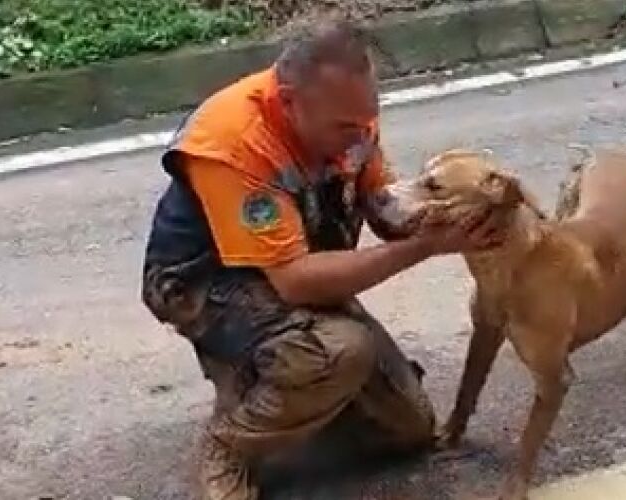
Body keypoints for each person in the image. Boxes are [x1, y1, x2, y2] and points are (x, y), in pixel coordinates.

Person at [141, 19, 503, 500]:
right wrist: (423, 247)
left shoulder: (350, 118)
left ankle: (296, 394)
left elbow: (378, 203)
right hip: (209, 283)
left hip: (299, 260)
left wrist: (438, 215)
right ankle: (229, 442)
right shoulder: (235, 140)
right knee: (339, 352)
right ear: (290, 101)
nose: (360, 137)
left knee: (409, 427)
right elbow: (293, 282)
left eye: (366, 123)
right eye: (346, 128)